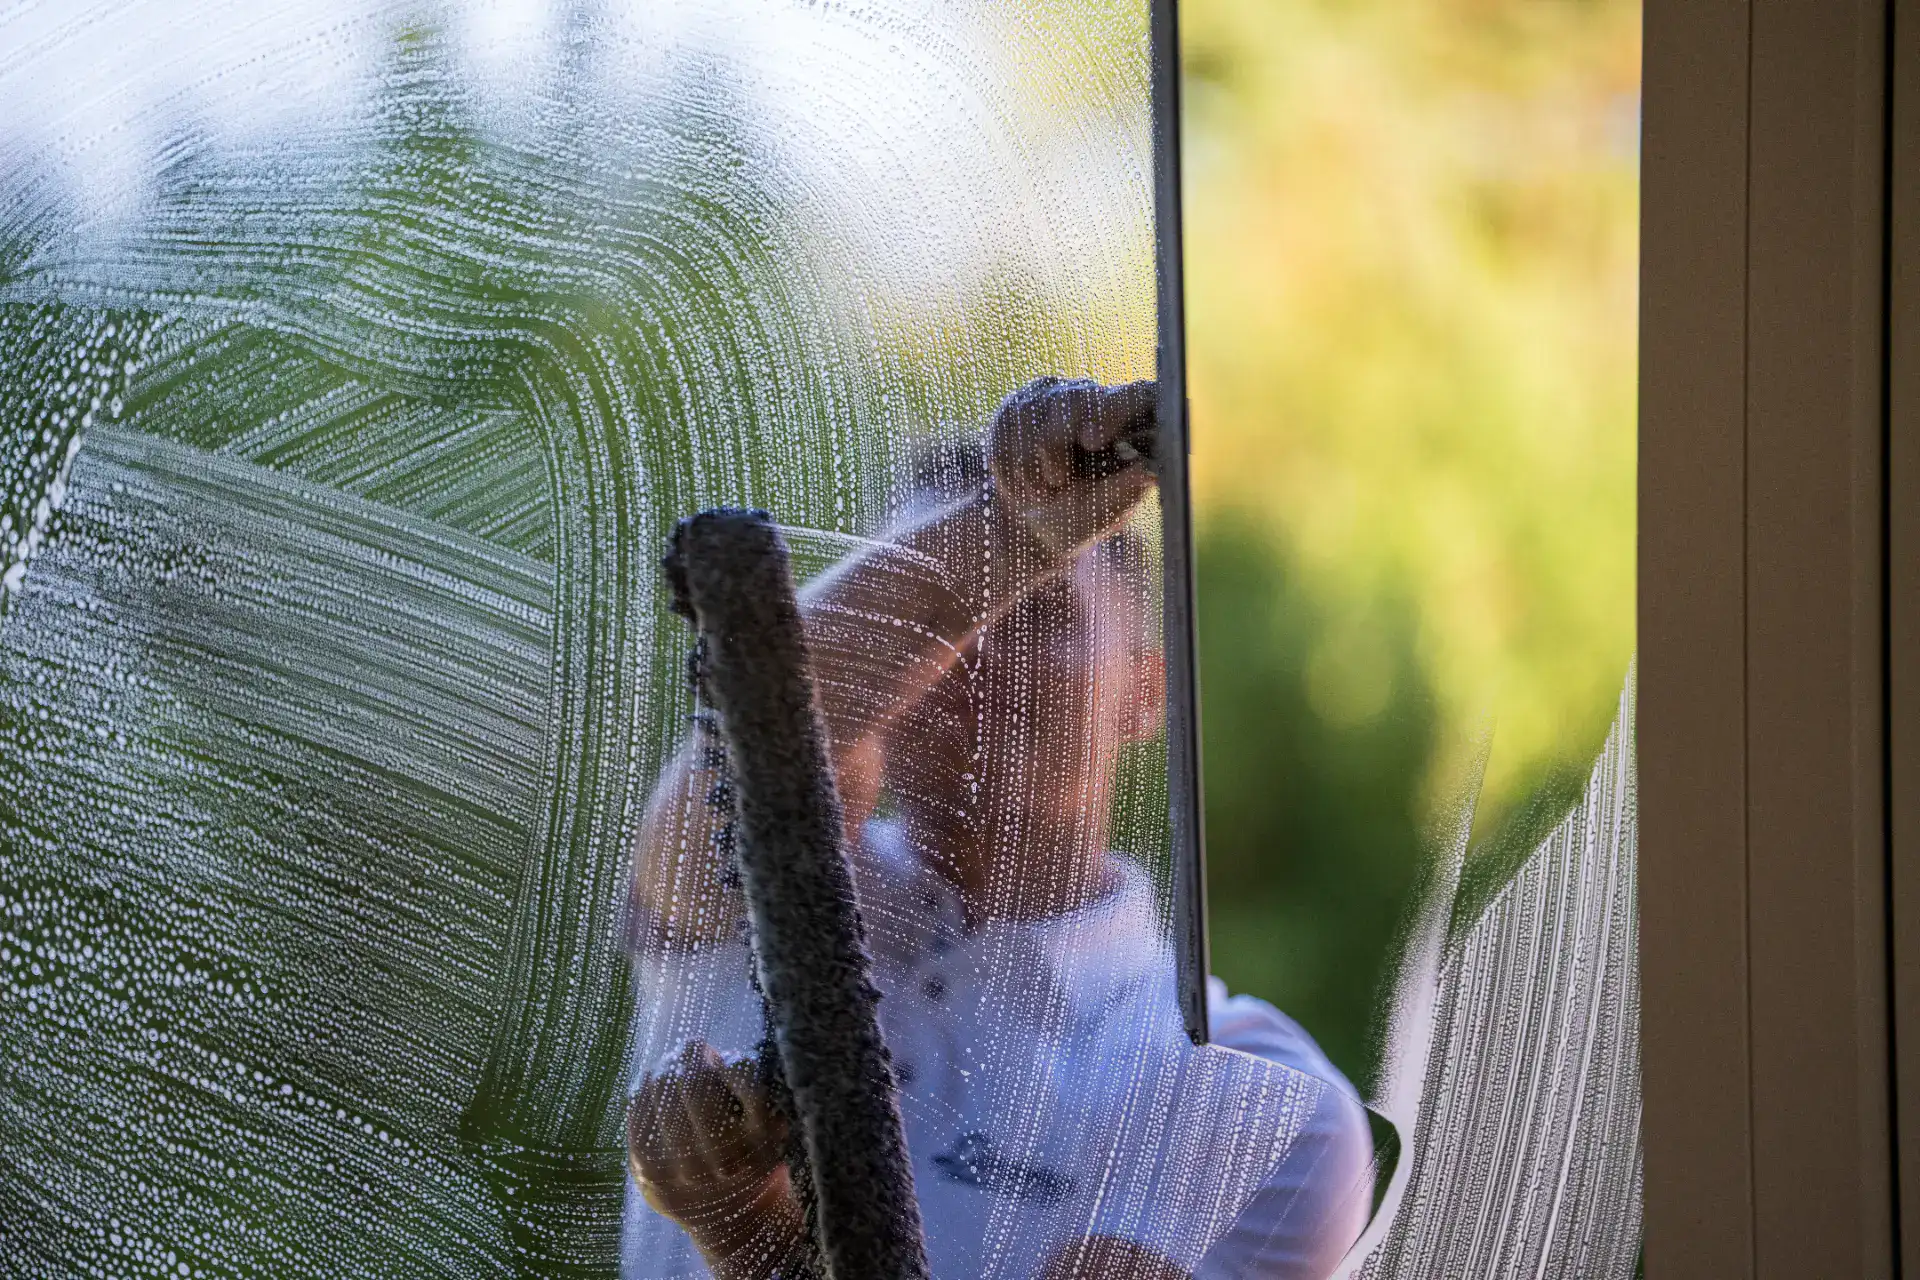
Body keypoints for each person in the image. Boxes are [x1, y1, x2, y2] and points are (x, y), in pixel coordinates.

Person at [622, 379, 1373, 1279]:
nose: (971, 662)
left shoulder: (1254, 1095)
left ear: (1145, 689)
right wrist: (1010, 538)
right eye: (930, 625)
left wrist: (742, 1225)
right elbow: (767, 718)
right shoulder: (741, 899)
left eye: (1033, 610)